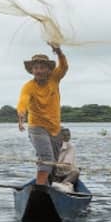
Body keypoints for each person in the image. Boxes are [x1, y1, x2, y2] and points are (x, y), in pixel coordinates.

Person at [17, 44, 68, 186]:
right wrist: (21, 115)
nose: (38, 71)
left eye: (42, 67)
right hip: (37, 127)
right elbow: (23, 101)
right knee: (46, 158)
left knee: (53, 164)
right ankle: (39, 189)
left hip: (55, 128)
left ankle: (49, 187)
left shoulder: (54, 79)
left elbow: (63, 67)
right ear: (32, 70)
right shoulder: (29, 86)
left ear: (48, 70)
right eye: (36, 68)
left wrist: (58, 52)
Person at [52, 127, 80, 193]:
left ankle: (63, 184)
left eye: (68, 135)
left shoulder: (70, 147)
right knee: (44, 169)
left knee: (76, 172)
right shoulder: (52, 145)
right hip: (53, 173)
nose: (67, 137)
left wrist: (54, 164)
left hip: (65, 173)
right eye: (64, 135)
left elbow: (66, 164)